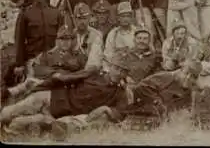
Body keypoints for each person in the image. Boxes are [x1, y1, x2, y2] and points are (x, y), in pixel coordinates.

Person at [0, 51, 131, 129]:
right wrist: (38, 89)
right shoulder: (93, 73)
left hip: (59, 114)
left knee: (18, 125)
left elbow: (120, 114)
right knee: (10, 112)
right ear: (110, 66)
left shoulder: (120, 93)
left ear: (126, 74)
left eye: (123, 71)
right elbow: (65, 78)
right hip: (51, 97)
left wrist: (107, 109)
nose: (119, 73)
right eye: (117, 68)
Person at [13, 0, 64, 83]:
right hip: (33, 60)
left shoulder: (56, 13)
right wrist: (19, 64)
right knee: (32, 89)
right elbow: (19, 40)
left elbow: (63, 39)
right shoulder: (25, 14)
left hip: (52, 61)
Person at [102, 2, 137, 72]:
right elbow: (108, 54)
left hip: (134, 66)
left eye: (128, 16)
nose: (125, 19)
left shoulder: (137, 32)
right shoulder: (113, 34)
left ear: (131, 18)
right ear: (118, 18)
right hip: (117, 67)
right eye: (123, 16)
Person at [72, 3, 104, 71]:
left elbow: (95, 62)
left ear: (89, 18)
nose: (82, 21)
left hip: (90, 71)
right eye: (79, 18)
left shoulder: (96, 35)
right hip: (73, 70)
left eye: (84, 18)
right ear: (74, 19)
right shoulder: (71, 34)